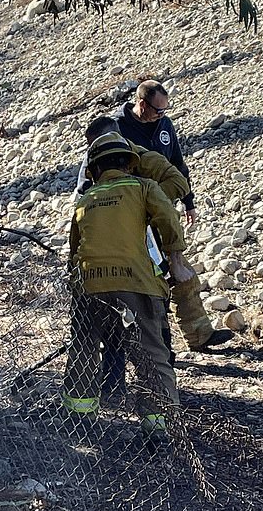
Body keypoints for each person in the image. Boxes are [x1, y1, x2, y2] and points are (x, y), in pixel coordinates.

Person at [62, 132, 192, 442]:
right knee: (152, 354)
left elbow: (74, 249)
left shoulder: (86, 200)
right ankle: (159, 428)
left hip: (91, 286)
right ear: (130, 164)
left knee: (84, 348)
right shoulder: (144, 187)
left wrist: (77, 289)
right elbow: (168, 218)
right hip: (138, 285)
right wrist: (176, 260)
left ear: (93, 170)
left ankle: (79, 421)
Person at [79, 113, 233, 352]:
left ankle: (197, 335)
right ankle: (156, 350)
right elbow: (84, 198)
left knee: (181, 279)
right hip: (114, 237)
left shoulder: (139, 157)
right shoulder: (92, 163)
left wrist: (148, 203)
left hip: (149, 233)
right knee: (146, 291)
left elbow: (178, 181)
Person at [114, 79, 197, 226]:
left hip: (162, 199)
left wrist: (188, 202)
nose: (161, 115)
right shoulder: (117, 127)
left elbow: (177, 163)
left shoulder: (165, 124)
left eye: (164, 110)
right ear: (142, 104)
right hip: (132, 203)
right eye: (158, 110)